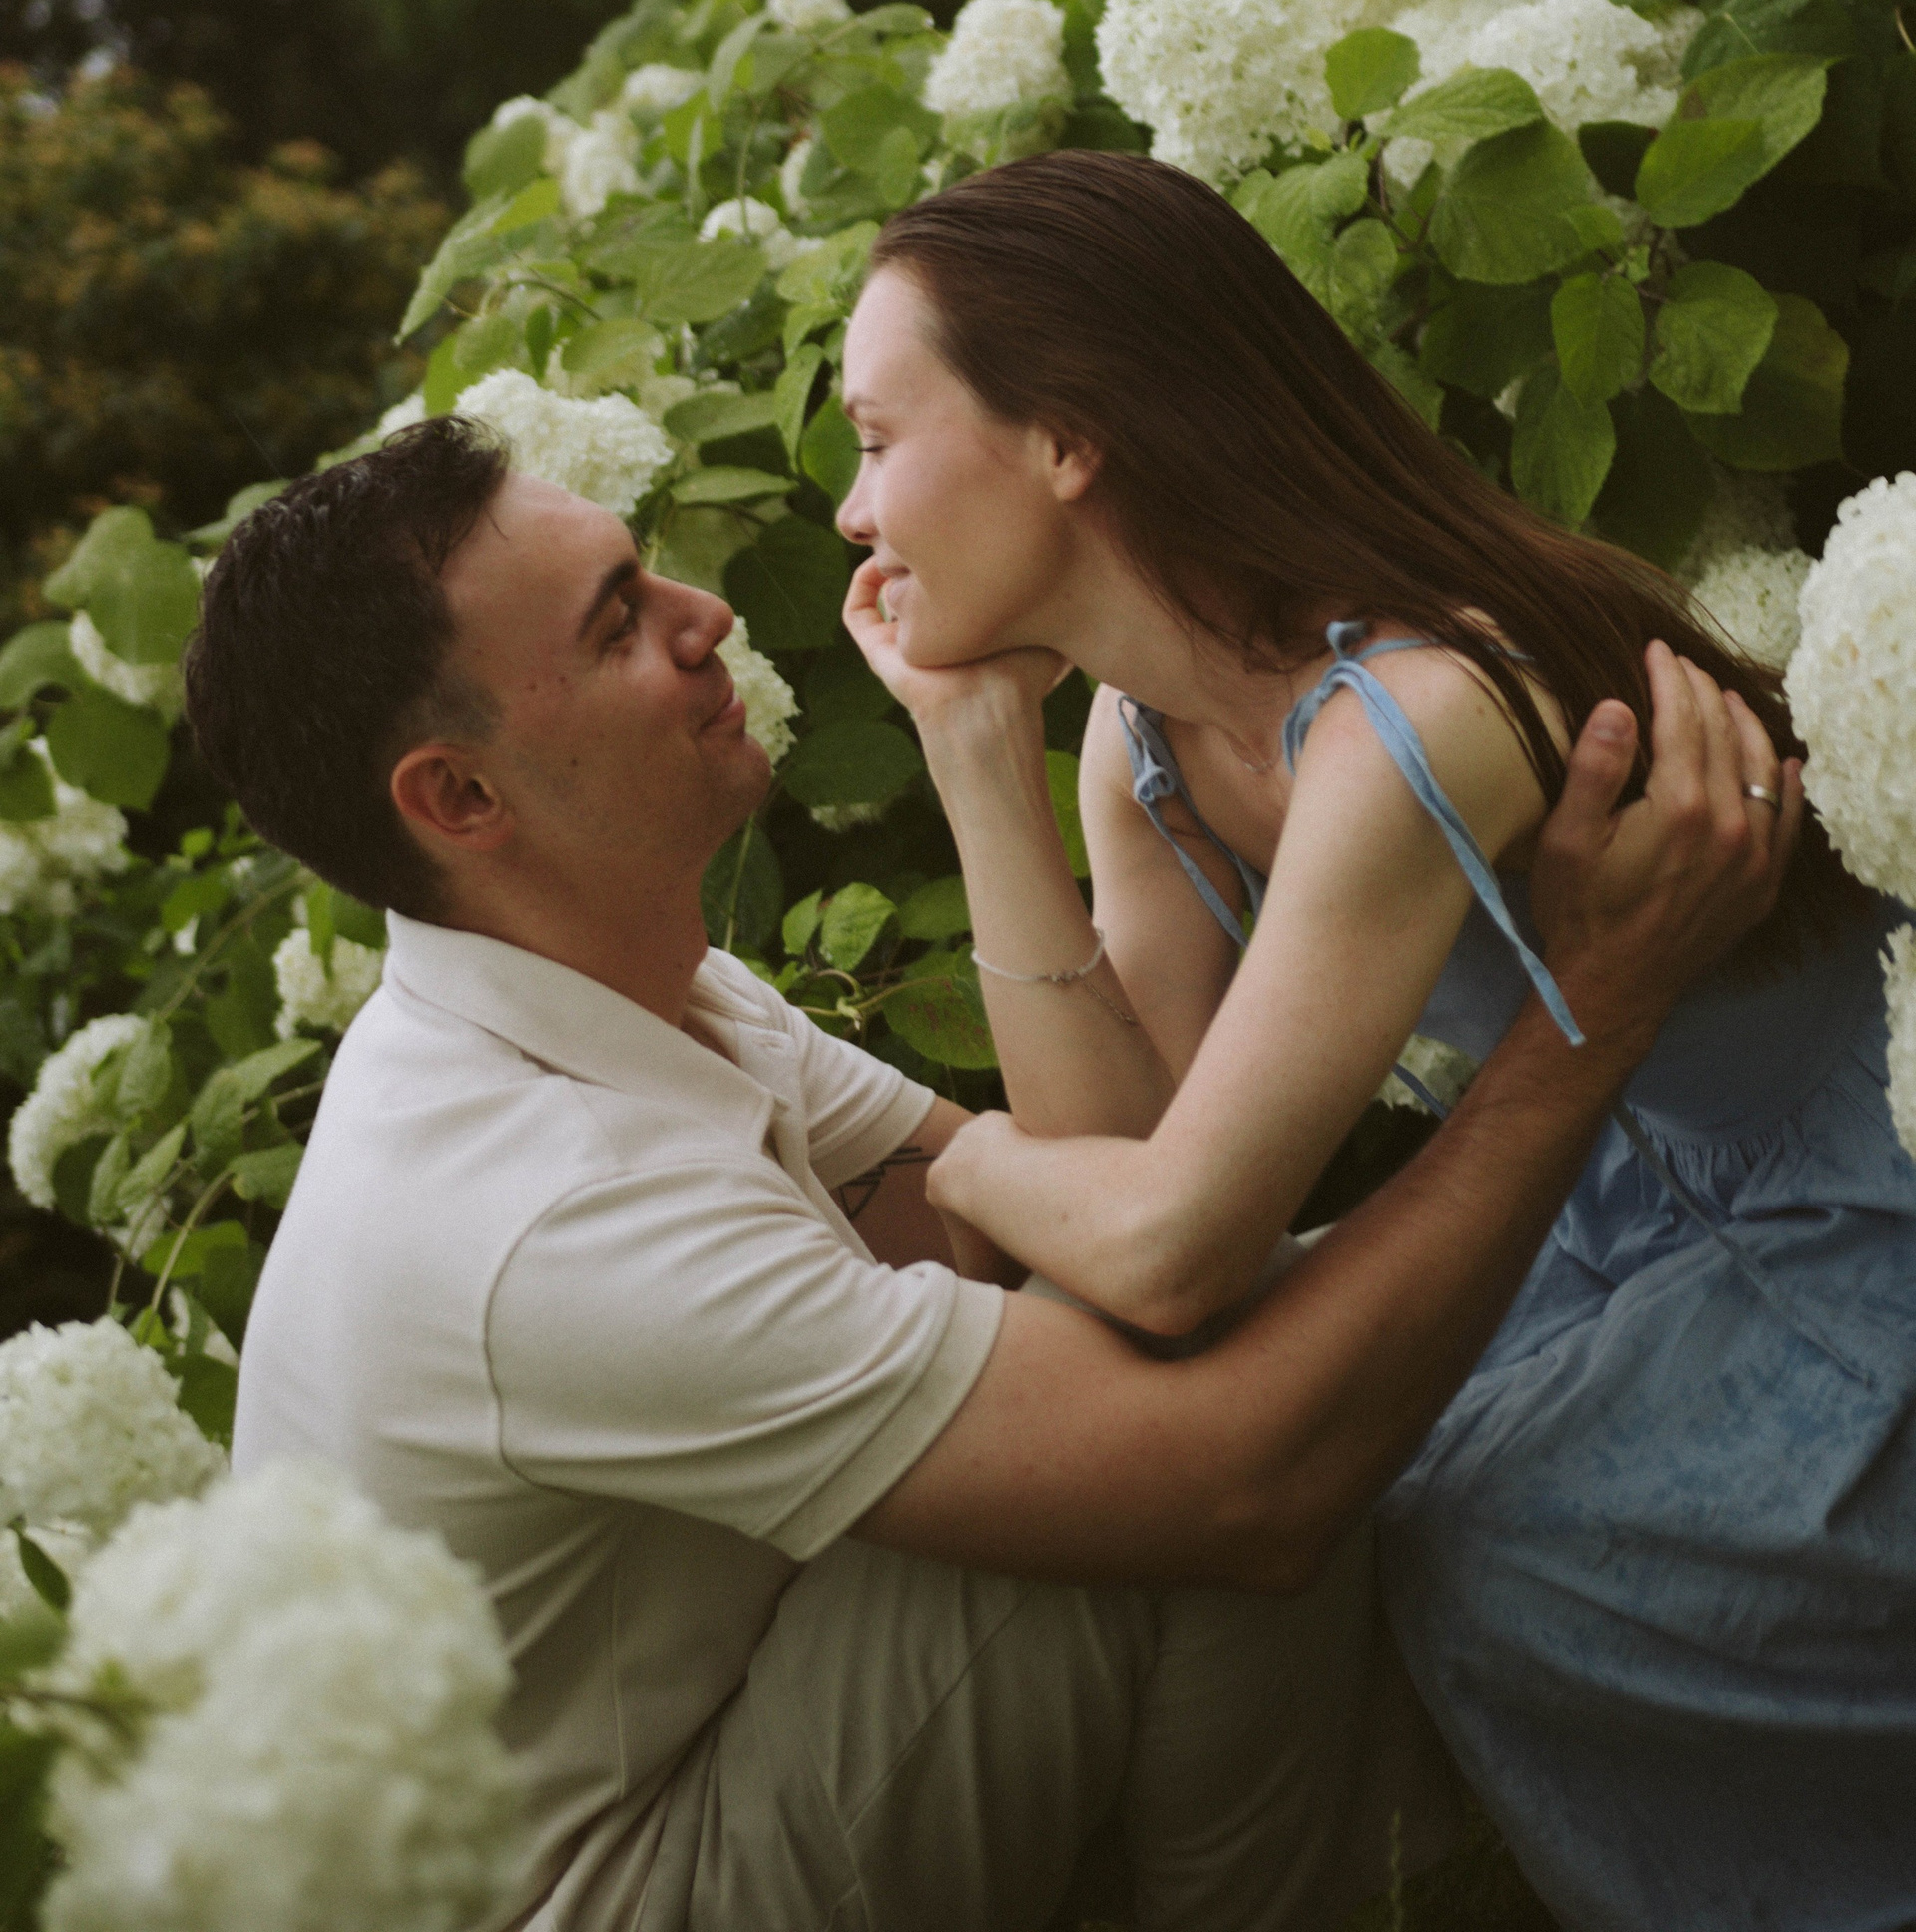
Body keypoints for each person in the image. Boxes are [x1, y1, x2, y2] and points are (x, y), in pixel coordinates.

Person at [190, 413, 1783, 1932]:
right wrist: (1593, 1011)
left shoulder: (632, 999)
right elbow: (1246, 1470)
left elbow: (1131, 1218)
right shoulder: (548, 1211)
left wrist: (974, 745)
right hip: (601, 1892)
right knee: (1168, 1481)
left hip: (682, 1763)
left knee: (1168, 1355)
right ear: (460, 798)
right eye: (619, 623)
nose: (708, 612)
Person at [833, 149, 1916, 1932]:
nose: (853, 512)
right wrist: (973, 757)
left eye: (881, 439)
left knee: (1479, 1536)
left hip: (1851, 1212)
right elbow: (1135, 1206)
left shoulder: (1408, 711)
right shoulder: (1148, 740)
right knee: (1346, 1467)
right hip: (1615, 1218)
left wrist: (957, 1157)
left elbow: (1171, 1247)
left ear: (1067, 437)